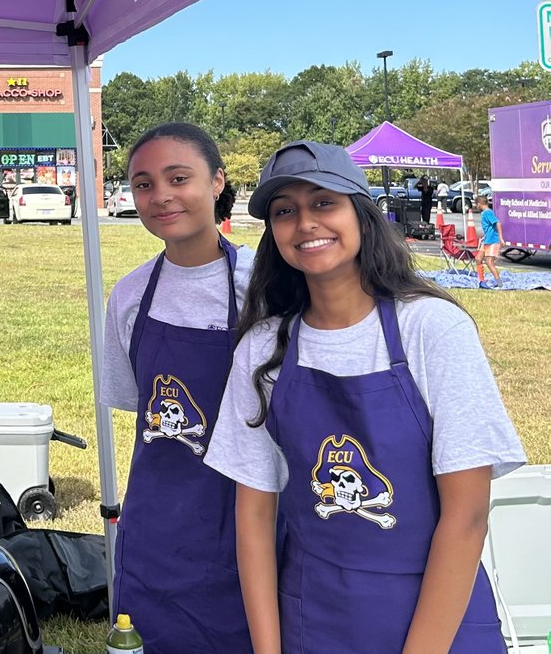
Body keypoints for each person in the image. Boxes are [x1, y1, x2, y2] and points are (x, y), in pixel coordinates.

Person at [206, 141, 524, 654]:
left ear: (362, 213)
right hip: (315, 617)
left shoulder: (432, 329)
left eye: (323, 202)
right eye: (285, 211)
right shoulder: (264, 349)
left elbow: (466, 517)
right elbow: (255, 518)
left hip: (438, 621)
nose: (305, 222)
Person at [101, 122, 255, 653]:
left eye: (178, 177)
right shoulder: (128, 296)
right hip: (158, 527)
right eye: (143, 184)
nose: (160, 195)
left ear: (217, 182)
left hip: (251, 520)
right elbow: (136, 404)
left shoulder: (264, 286)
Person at [476, 194, 503, 288]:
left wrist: (501, 238)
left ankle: (499, 282)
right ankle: (481, 281)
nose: (476, 207)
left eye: (477, 204)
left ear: (479, 204)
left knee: (489, 262)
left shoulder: (488, 212)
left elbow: (498, 223)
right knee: (478, 258)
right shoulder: (485, 213)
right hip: (486, 240)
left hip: (492, 240)